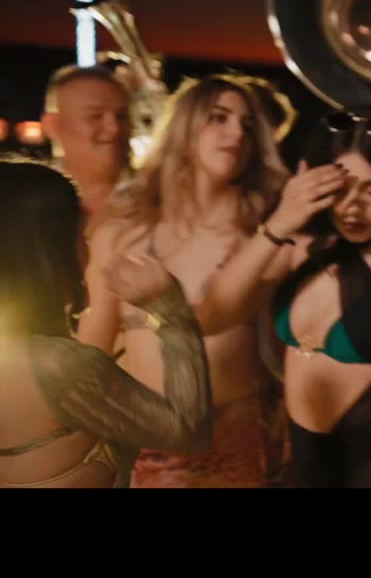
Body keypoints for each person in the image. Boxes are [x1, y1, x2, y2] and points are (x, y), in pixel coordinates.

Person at [197, 105, 371, 488]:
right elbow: (212, 317)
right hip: (304, 464)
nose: (352, 207)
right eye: (339, 189)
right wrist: (280, 221)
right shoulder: (300, 249)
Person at [78, 75, 290, 488]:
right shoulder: (124, 233)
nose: (237, 134)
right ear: (184, 127)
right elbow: (93, 348)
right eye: (219, 118)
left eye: (248, 125)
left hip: (236, 442)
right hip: (146, 443)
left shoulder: (261, 232)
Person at [0, 159, 212, 488]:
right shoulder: (60, 367)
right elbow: (189, 432)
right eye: (80, 236)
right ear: (48, 250)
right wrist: (172, 311)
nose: (88, 249)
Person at [39, 65, 133, 237]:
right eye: (95, 116)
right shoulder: (30, 206)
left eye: (121, 116)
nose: (114, 128)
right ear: (52, 125)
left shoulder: (159, 203)